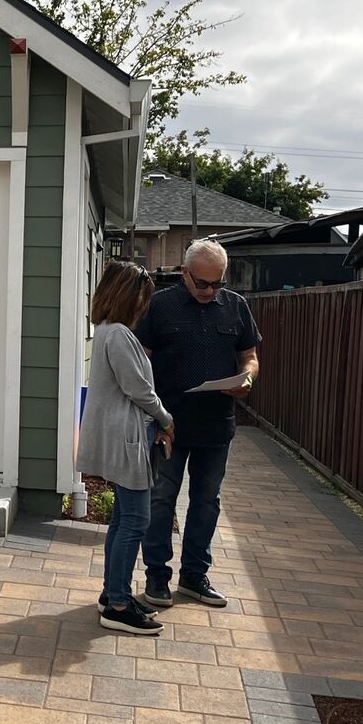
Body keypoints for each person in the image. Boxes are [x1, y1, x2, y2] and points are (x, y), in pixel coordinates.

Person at [135, 239, 261, 610]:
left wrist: (247, 379)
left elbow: (250, 356)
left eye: (217, 283)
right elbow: (142, 365)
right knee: (161, 501)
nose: (210, 291)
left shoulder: (236, 306)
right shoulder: (159, 306)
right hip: (168, 423)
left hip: (217, 425)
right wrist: (153, 417)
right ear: (184, 273)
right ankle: (157, 575)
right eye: (202, 283)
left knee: (207, 501)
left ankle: (194, 575)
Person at [80, 261, 175, 634]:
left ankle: (112, 593)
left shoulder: (106, 330)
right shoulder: (118, 334)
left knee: (122, 519)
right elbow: (139, 389)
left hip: (118, 433)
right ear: (128, 296)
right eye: (142, 297)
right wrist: (167, 420)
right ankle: (117, 604)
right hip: (125, 437)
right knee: (136, 520)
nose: (144, 305)